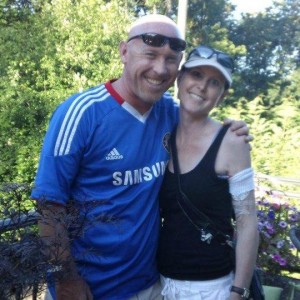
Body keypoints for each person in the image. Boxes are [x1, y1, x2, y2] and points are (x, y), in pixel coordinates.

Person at [31, 15, 250, 300]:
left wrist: (231, 129)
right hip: (87, 289)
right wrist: (66, 279)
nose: (160, 69)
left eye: (171, 59)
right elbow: (49, 205)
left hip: (150, 285)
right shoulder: (82, 113)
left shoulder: (169, 113)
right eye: (150, 55)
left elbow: (203, 124)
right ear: (124, 51)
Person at [157, 45, 259, 300]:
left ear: (221, 96)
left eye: (214, 82)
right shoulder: (160, 129)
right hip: (161, 283)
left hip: (211, 288)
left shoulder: (232, 142)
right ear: (180, 80)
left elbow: (247, 222)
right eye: (196, 75)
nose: (202, 87)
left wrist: (238, 291)